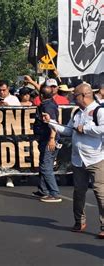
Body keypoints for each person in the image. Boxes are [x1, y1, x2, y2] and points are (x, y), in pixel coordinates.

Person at [43, 82, 104, 238]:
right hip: (78, 160)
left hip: (96, 159)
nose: (71, 98)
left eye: (74, 95)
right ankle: (79, 221)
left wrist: (86, 129)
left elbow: (102, 128)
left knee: (100, 192)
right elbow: (68, 130)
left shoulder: (99, 111)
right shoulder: (77, 113)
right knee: (79, 193)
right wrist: (50, 122)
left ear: (84, 95)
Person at [0, 80, 20, 187]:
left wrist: (9, 106)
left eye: (4, 90)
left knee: (9, 155)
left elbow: (21, 113)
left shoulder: (14, 99)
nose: (1, 92)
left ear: (8, 89)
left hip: (10, 131)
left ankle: (9, 177)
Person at [32, 86, 62, 203]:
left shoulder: (47, 106)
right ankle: (43, 190)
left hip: (49, 140)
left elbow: (53, 123)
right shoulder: (49, 103)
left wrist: (52, 138)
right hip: (45, 139)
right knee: (43, 164)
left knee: (46, 166)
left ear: (41, 95)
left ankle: (54, 193)